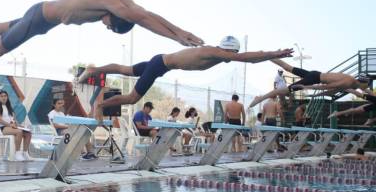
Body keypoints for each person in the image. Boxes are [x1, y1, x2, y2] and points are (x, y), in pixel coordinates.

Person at [0, 0, 204, 111]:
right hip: (39, 19)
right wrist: (177, 36)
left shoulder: (121, 1)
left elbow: (147, 14)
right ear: (116, 17)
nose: (106, 27)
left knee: (2, 27)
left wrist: (178, 33)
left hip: (41, 19)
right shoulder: (114, 6)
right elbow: (145, 20)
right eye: (111, 27)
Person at [81, 37, 293, 117]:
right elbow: (248, 58)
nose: (233, 58)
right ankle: (100, 106)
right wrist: (273, 53)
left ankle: (94, 69)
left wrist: (271, 56)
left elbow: (249, 58)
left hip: (160, 63)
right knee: (131, 98)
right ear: (230, 51)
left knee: (125, 69)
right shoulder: (215, 52)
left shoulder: (218, 54)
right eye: (234, 54)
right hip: (159, 65)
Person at [249, 59, 371, 108]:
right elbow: (328, 86)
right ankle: (260, 98)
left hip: (315, 74)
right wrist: (306, 87)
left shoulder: (351, 83)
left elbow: (332, 91)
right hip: (314, 78)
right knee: (284, 90)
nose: (368, 88)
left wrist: (316, 96)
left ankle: (268, 56)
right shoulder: (349, 82)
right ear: (363, 83)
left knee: (288, 67)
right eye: (368, 85)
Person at [0, 90, 32, 161]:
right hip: (2, 128)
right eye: (1, 96)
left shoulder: (9, 107)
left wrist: (19, 125)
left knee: (28, 133)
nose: (4, 98)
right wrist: (11, 125)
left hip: (11, 127)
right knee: (19, 132)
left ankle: (25, 153)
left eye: (5, 96)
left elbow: (14, 119)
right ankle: (17, 153)